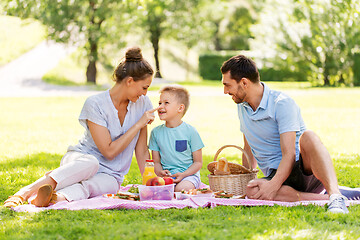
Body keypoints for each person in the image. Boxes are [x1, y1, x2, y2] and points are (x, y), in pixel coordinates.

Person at [4, 46, 158, 208]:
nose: (145, 94)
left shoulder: (142, 104)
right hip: (81, 159)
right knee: (91, 163)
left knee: (107, 185)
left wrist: (151, 183)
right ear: (129, 81)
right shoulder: (95, 104)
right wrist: (139, 124)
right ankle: (24, 192)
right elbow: (109, 151)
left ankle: (54, 198)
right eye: (144, 87)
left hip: (110, 173)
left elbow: (141, 151)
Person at [220, 54, 350, 214]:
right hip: (277, 176)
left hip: (302, 169)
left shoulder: (281, 103)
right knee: (253, 191)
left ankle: (335, 196)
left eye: (227, 85)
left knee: (309, 137)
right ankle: (334, 198)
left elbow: (289, 154)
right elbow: (248, 147)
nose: (225, 91)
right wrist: (245, 182)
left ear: (244, 83)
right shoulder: (242, 106)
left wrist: (273, 186)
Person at [149, 85, 204, 192]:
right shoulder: (155, 133)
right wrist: (160, 172)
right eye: (160, 103)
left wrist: (184, 175)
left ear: (180, 108)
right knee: (153, 189)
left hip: (189, 176)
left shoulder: (191, 132)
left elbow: (198, 163)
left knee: (181, 189)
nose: (160, 106)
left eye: (166, 103)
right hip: (166, 178)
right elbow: (156, 162)